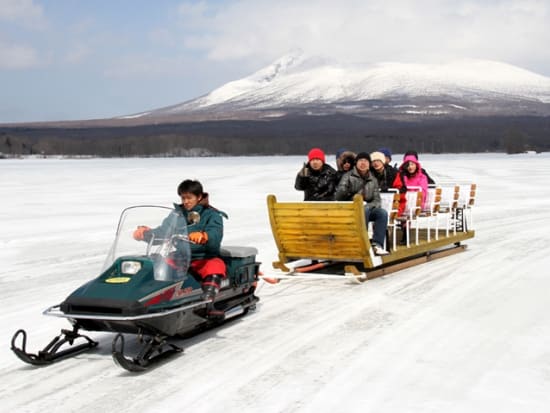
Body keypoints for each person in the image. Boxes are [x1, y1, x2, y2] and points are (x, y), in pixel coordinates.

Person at [133, 179, 227, 307]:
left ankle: (207, 302)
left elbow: (215, 234)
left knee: (215, 267)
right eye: (183, 198)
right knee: (155, 264)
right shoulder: (177, 214)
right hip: (181, 256)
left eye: (189, 198)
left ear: (199, 197)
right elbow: (163, 231)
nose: (185, 202)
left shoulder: (212, 214)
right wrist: (145, 234)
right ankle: (146, 297)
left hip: (204, 257)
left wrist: (204, 236)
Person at [335, 152, 389, 255]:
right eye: (361, 161)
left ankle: (377, 245)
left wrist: (366, 205)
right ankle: (361, 242)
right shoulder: (348, 176)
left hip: (366, 209)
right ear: (356, 163)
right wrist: (348, 191)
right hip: (350, 209)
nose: (363, 163)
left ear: (369, 164)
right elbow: (338, 196)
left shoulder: (372, 179)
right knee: (364, 210)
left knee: (382, 213)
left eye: (366, 161)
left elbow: (377, 200)